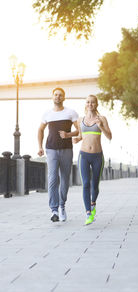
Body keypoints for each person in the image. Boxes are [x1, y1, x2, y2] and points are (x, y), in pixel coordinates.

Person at [38, 87, 79, 222]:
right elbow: (40, 130)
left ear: (64, 97)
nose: (58, 97)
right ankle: (54, 209)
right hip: (51, 149)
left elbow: (80, 130)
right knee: (52, 178)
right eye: (55, 95)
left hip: (67, 149)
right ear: (52, 97)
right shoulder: (47, 114)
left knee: (65, 179)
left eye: (60, 95)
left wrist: (68, 134)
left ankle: (62, 206)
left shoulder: (71, 113)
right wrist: (40, 147)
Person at [73, 95, 112, 225]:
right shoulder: (80, 120)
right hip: (83, 155)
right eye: (88, 102)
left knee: (95, 184)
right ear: (85, 104)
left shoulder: (102, 119)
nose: (90, 104)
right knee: (85, 184)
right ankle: (88, 213)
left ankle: (93, 203)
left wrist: (100, 126)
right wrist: (76, 139)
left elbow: (109, 136)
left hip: (97, 156)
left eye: (93, 102)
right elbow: (80, 135)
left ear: (97, 104)